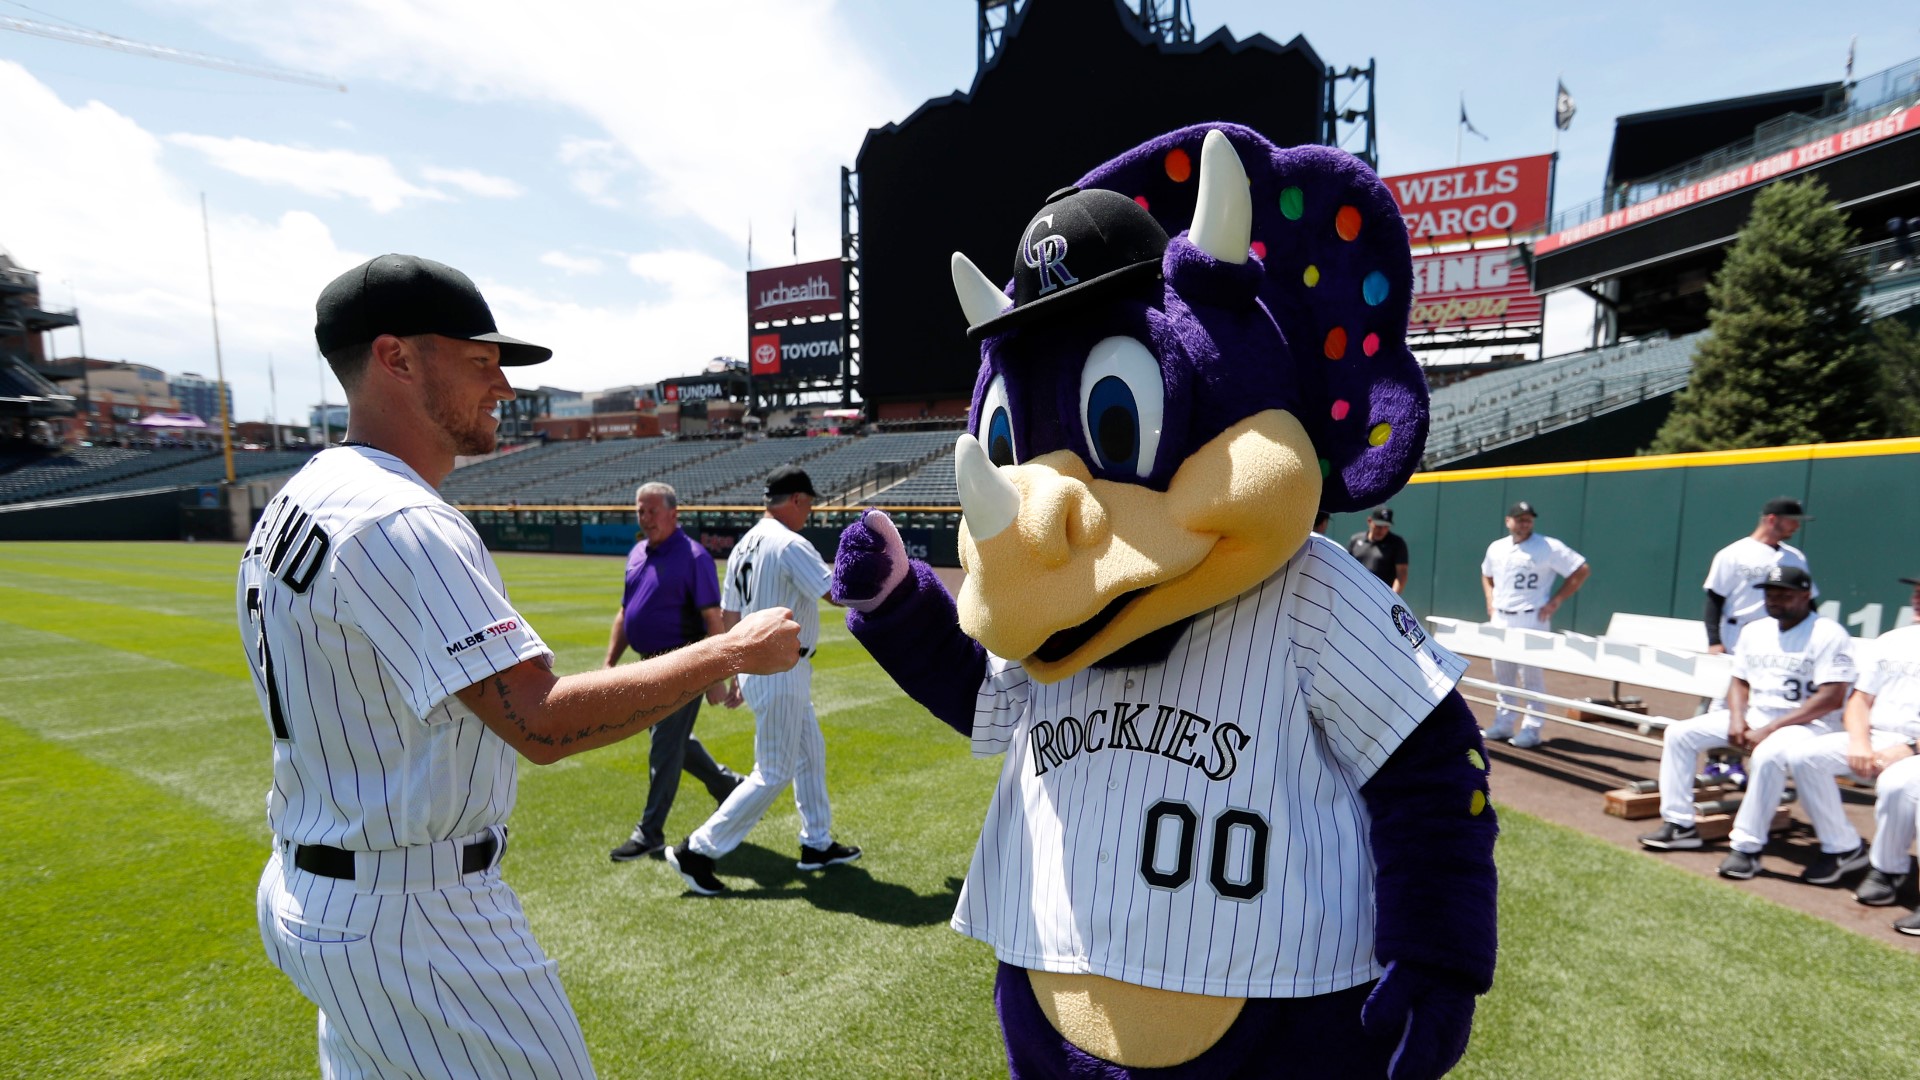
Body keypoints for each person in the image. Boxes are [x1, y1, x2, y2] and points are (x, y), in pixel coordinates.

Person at [245, 254, 802, 1078]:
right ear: (396, 358)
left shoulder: (299, 500)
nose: (501, 385)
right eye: (479, 360)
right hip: (414, 915)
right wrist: (730, 650)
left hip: (318, 885)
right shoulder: (401, 517)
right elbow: (539, 721)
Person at [666, 466, 860, 895]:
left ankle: (817, 843)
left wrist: (734, 667)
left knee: (810, 753)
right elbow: (835, 593)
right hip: (780, 667)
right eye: (807, 504)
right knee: (773, 771)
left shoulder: (744, 544)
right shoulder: (790, 543)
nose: (809, 512)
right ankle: (696, 850)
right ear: (794, 500)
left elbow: (730, 615)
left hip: (762, 665)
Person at [1637, 566, 1856, 873]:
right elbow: (1739, 681)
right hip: (1758, 716)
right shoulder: (1756, 630)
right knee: (1679, 733)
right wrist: (1737, 719)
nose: (1775, 599)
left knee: (1767, 755)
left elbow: (1831, 697)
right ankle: (1679, 826)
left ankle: (1746, 847)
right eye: (1769, 592)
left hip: (1808, 726)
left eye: (1784, 593)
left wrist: (1769, 729)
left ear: (1806, 596)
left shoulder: (1828, 634)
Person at [605, 481, 746, 862]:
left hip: (682, 663)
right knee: (674, 741)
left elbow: (711, 618)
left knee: (664, 746)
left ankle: (649, 833)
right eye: (640, 511)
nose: (645, 518)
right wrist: (610, 663)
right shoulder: (636, 553)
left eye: (652, 511)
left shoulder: (694, 556)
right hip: (647, 662)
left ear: (673, 514)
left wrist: (717, 675)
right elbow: (625, 612)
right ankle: (729, 785)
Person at [1778, 576, 1920, 907]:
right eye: (1916, 591)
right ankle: (1843, 847)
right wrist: (1859, 743)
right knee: (1805, 756)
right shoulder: (1891, 640)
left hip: (1914, 747)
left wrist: (1909, 749)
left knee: (1897, 783)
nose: (1917, 597)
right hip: (1875, 736)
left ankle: (1887, 870)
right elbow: (1859, 700)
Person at [1479, 500, 1590, 748]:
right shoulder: (1497, 548)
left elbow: (1581, 569)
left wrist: (1556, 601)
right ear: (1508, 521)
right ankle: (1504, 723)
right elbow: (1486, 573)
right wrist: (1490, 598)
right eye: (1519, 518)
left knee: (1531, 678)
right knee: (1503, 675)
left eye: (1528, 518)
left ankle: (1532, 729)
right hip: (1501, 616)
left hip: (1532, 617)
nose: (1524, 522)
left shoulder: (1547, 546)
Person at [1702, 496, 1813, 655]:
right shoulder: (1733, 554)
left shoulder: (1796, 557)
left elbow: (1808, 601)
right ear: (1772, 519)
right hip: (1737, 634)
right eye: (1792, 520)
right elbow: (1714, 599)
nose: (1797, 526)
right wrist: (1714, 641)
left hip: (1781, 635)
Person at [1347, 506, 1409, 594]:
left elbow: (1402, 574)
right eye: (1379, 526)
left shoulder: (1397, 543)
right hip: (1354, 593)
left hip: (1381, 597)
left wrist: (1392, 597)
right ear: (1369, 521)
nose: (1382, 530)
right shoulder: (1356, 540)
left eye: (1386, 526)